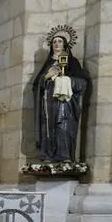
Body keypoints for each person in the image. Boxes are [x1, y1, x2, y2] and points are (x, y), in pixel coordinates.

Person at [33, 28, 88, 163]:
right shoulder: (48, 64)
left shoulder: (72, 61)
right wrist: (47, 76)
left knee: (63, 126)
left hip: (64, 103)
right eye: (54, 42)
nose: (57, 44)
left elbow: (83, 83)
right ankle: (48, 155)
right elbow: (36, 85)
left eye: (60, 42)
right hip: (48, 103)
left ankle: (64, 156)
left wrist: (67, 80)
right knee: (48, 128)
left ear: (65, 44)